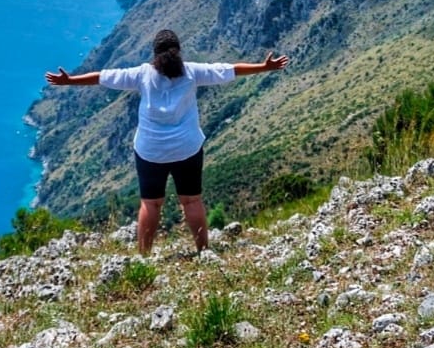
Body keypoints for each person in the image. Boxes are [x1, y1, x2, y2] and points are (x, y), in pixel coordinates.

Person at [44, 28, 289, 256]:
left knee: (151, 203)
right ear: (178, 51)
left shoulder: (141, 74)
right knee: (191, 200)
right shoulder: (192, 72)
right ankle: (204, 252)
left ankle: (144, 256)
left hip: (151, 151)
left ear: (155, 53)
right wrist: (265, 67)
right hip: (187, 148)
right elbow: (229, 70)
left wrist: (70, 81)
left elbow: (103, 77)